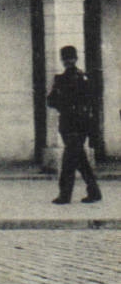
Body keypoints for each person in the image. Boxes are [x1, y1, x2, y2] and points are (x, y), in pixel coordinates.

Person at [48, 45, 101, 204]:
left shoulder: (81, 79)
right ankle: (94, 191)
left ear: (75, 59)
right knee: (80, 160)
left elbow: (91, 102)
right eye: (65, 59)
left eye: (70, 58)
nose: (68, 61)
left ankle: (65, 195)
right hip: (69, 125)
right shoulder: (63, 79)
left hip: (77, 125)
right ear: (63, 61)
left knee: (69, 161)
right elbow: (51, 101)